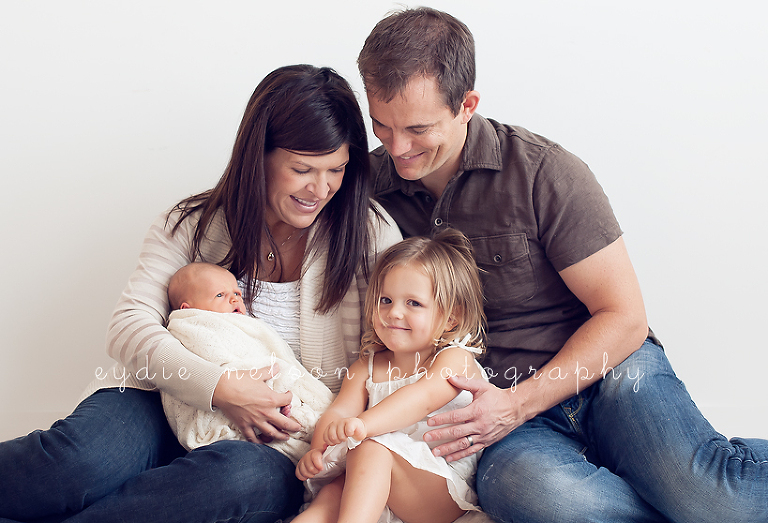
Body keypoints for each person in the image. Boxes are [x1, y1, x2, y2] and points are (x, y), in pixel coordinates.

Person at [358, 7, 768, 523]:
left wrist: (519, 403)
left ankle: (704, 480)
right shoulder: (368, 187)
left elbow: (624, 318)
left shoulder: (544, 172)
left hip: (610, 373)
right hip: (502, 410)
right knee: (529, 495)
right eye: (381, 125)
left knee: (715, 501)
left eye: (418, 129)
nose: (397, 148)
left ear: (466, 106)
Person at [0, 64, 401, 523]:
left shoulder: (370, 236)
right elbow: (129, 326)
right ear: (259, 156)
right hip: (159, 399)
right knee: (80, 463)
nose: (320, 188)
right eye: (301, 169)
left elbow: (397, 354)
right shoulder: (193, 223)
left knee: (235, 480)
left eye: (337, 169)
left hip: (278, 443)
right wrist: (220, 389)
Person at [294, 229, 487, 523]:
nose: (394, 313)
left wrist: (363, 424)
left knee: (369, 446)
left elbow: (421, 398)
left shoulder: (455, 359)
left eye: (413, 303)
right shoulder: (365, 368)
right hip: (374, 481)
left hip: (439, 490)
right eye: (385, 300)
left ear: (451, 318)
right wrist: (319, 449)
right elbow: (339, 412)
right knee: (332, 493)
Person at [162, 262, 334, 464]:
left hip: (264, 397)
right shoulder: (191, 326)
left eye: (237, 293)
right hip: (220, 404)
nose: (234, 298)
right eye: (220, 295)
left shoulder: (245, 325)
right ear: (187, 308)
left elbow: (264, 354)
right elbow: (215, 359)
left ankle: (287, 419)